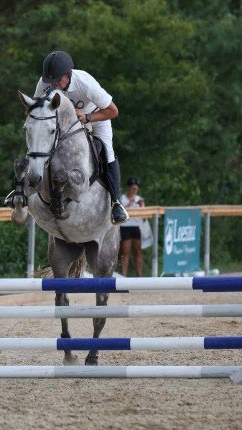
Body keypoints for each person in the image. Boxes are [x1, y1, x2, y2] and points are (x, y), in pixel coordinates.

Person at [32, 50, 129, 224]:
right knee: (37, 140)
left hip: (96, 117)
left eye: (57, 81)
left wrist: (88, 117)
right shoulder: (45, 82)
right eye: (50, 81)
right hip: (62, 123)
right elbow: (37, 109)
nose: (53, 85)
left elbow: (113, 111)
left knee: (108, 152)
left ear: (68, 75)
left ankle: (116, 203)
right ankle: (20, 191)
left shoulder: (85, 83)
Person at [119, 178, 145, 276]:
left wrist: (141, 205)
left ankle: (140, 276)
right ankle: (123, 276)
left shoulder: (139, 198)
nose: (135, 191)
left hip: (136, 227)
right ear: (129, 188)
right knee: (125, 252)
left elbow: (144, 214)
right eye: (133, 189)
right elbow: (120, 212)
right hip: (125, 226)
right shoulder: (122, 198)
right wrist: (131, 203)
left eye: (136, 189)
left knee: (138, 251)